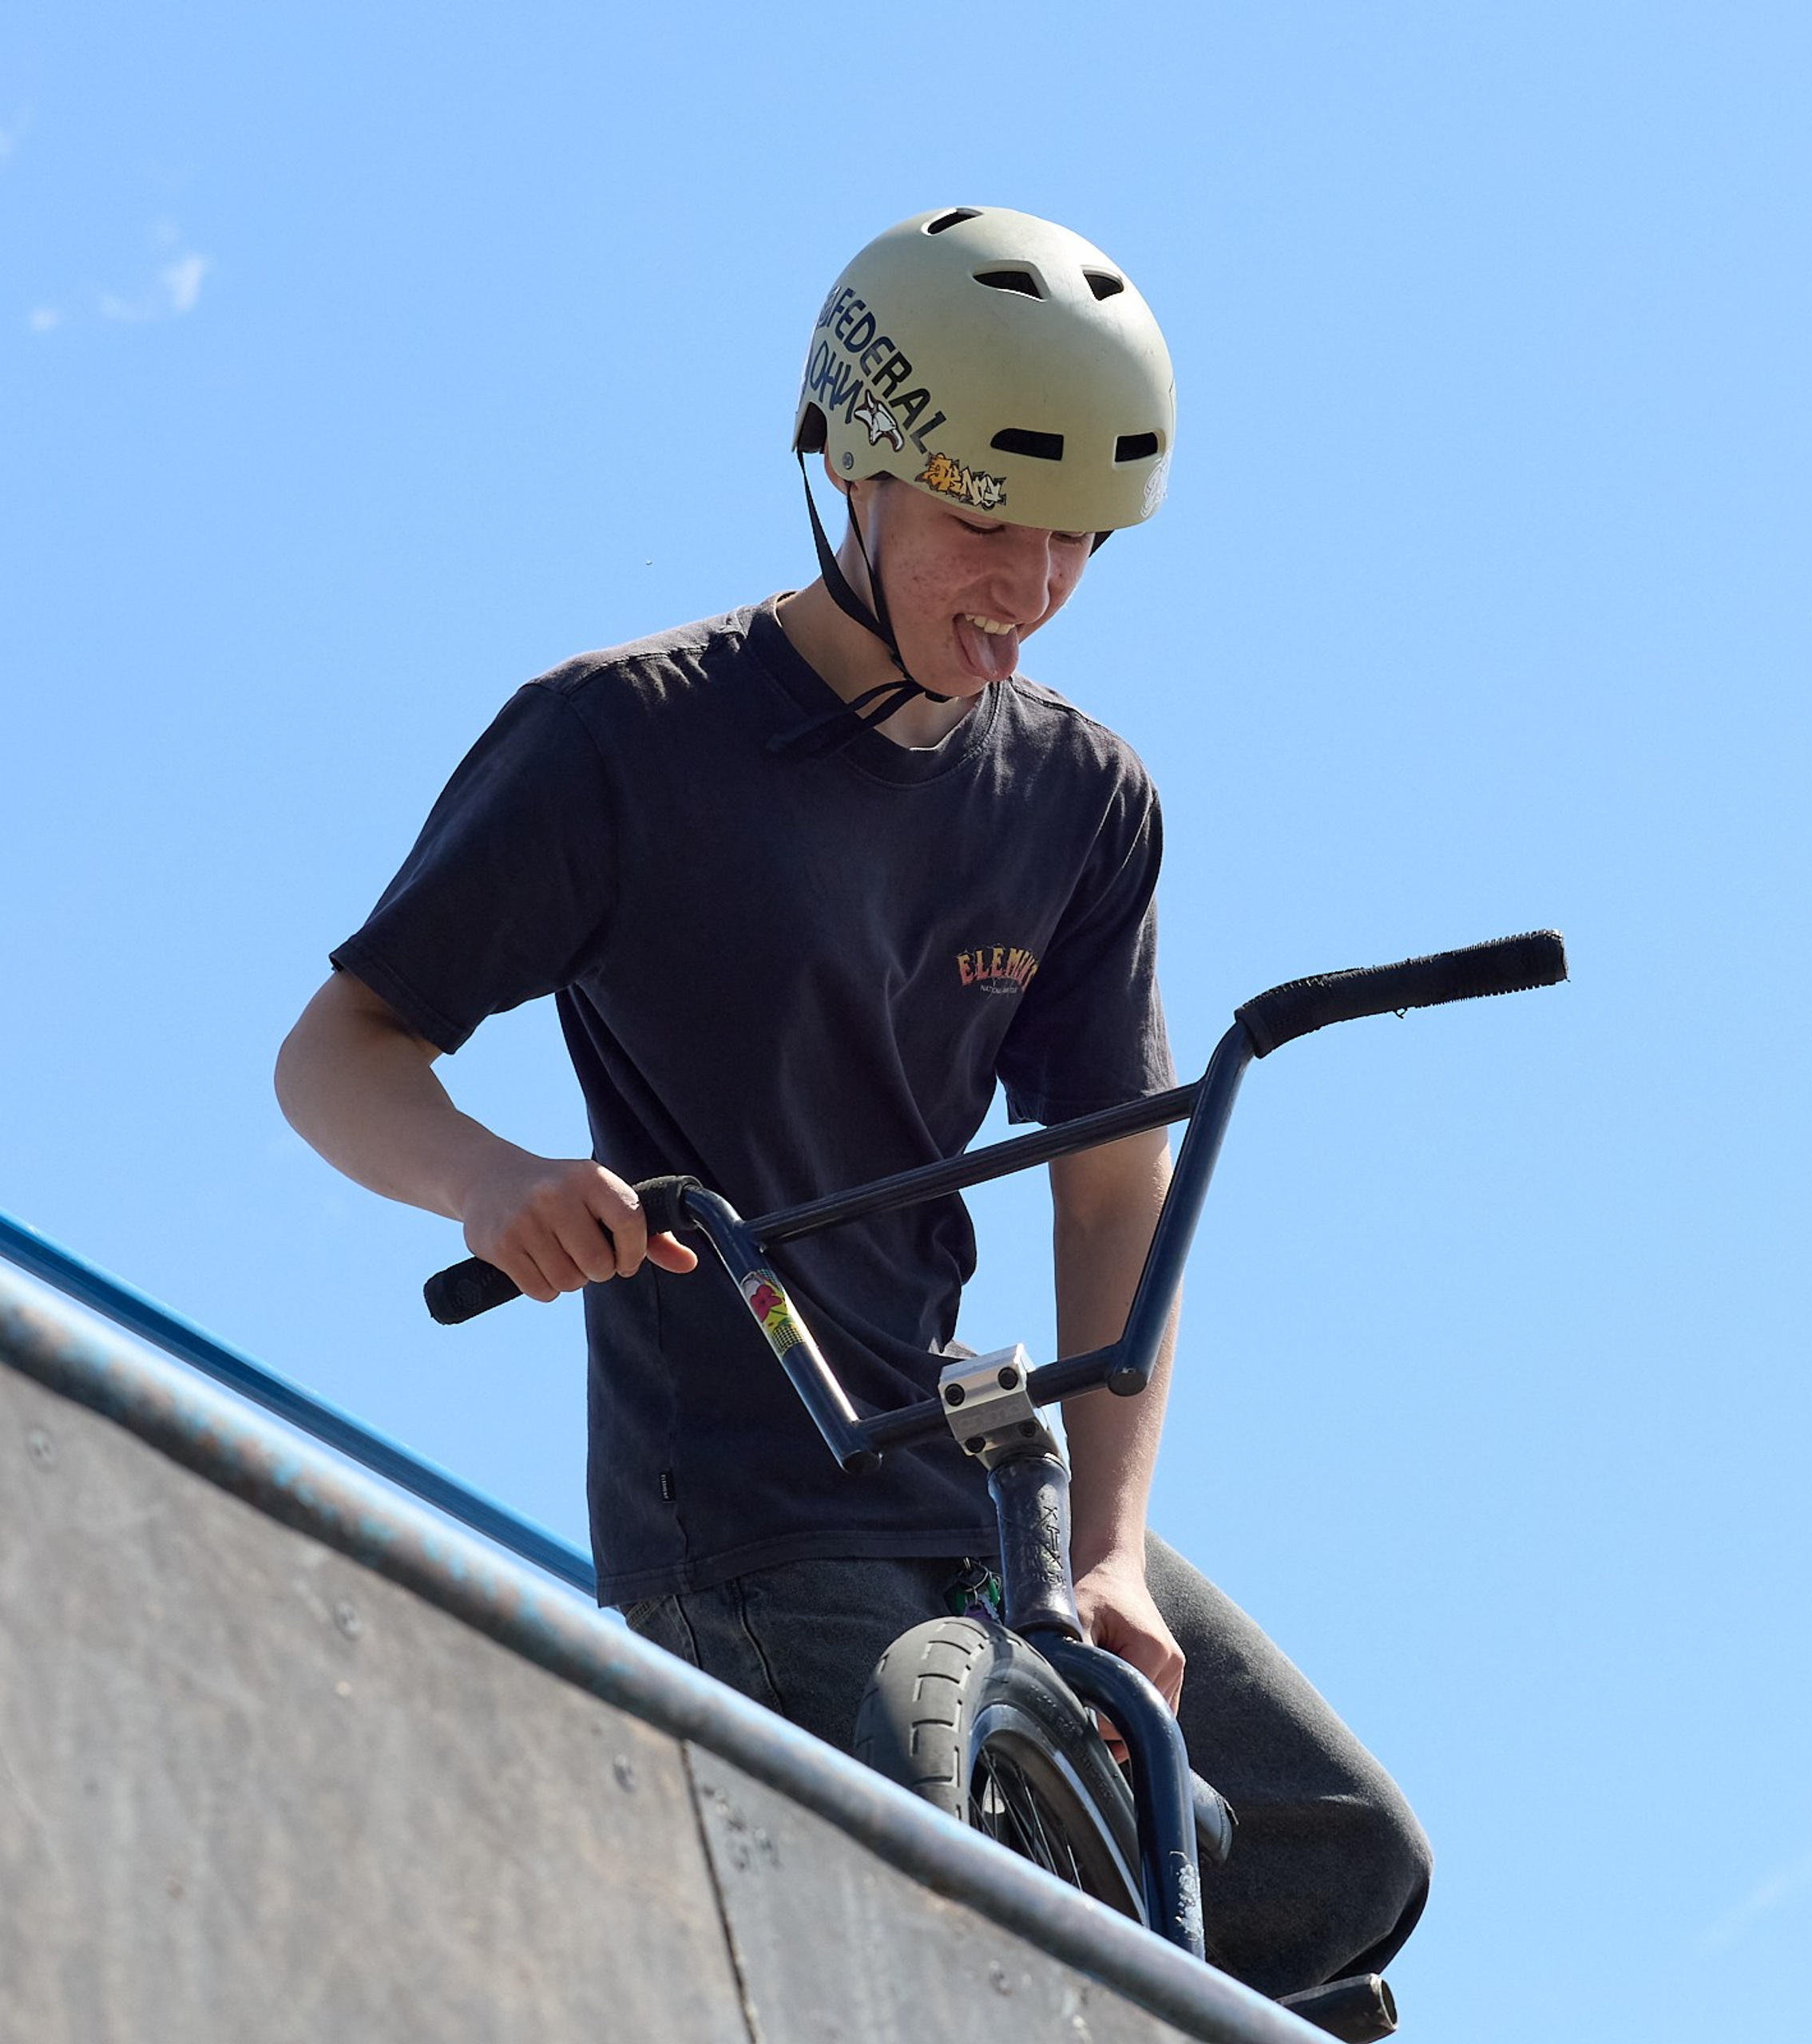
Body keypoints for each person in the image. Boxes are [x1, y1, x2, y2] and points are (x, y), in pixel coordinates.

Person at [275, 205, 1429, 2012]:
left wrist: (1114, 1548)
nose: (1031, 582)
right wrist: (491, 1178)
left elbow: (1111, 1193)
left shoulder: (1076, 800)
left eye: (1079, 539)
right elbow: (335, 1051)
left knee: (1342, 1856)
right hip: (736, 1492)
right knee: (932, 1853)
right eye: (986, 517)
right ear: (850, 466)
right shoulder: (619, 742)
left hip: (972, 1463)